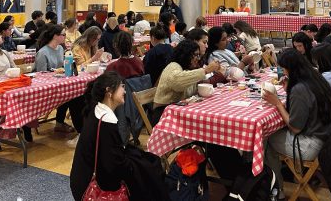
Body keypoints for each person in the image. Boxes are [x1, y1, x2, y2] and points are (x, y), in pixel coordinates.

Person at [70, 72, 168, 201]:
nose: (124, 91)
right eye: (122, 87)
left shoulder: (96, 110)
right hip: (91, 187)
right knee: (148, 173)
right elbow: (112, 166)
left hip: (81, 177)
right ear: (109, 92)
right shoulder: (105, 121)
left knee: (145, 163)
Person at [263, 50, 331, 196]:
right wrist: (289, 90)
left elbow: (295, 128)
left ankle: (277, 190)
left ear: (291, 69)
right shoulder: (316, 78)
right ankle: (297, 177)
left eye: (283, 69)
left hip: (311, 144)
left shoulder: (300, 89)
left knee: (264, 138)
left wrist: (277, 103)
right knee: (272, 132)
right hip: (327, 137)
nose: (283, 72)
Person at [151, 40, 220, 125]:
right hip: (164, 114)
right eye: (196, 55)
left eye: (199, 55)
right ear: (186, 55)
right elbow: (178, 84)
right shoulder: (173, 66)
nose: (198, 58)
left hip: (179, 111)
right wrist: (205, 70)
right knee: (203, 124)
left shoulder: (187, 68)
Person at [35, 24, 82, 135]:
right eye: (63, 35)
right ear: (55, 36)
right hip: (45, 87)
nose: (65, 37)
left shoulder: (60, 48)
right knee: (72, 97)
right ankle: (79, 127)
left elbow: (62, 66)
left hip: (58, 84)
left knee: (75, 94)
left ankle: (65, 124)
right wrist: (56, 71)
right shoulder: (42, 53)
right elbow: (40, 75)